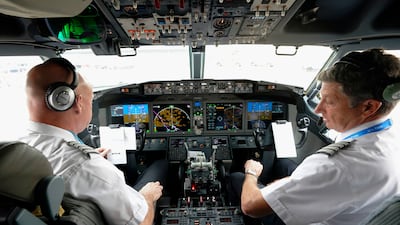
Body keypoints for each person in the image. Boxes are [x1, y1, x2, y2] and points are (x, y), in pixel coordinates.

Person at [229, 48, 400, 225]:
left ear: (368, 107)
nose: (318, 109)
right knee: (283, 163)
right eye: (320, 98)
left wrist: (251, 173)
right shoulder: (391, 137)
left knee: (237, 178)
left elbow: (250, 205)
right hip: (355, 206)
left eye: (330, 101)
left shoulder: (336, 165)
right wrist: (293, 184)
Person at [19, 57, 168, 225]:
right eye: (91, 101)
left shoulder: (16, 147)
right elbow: (141, 222)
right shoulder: (85, 165)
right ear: (78, 103)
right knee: (161, 165)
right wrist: (147, 196)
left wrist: (91, 163)